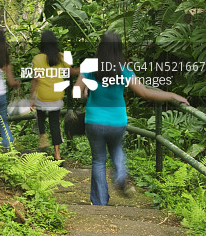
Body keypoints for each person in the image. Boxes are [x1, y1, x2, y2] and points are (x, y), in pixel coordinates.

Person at [74, 31, 189, 206]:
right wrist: (172, 95)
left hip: (94, 120)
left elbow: (77, 92)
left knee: (98, 160)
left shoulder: (90, 66)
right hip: (117, 121)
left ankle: (99, 202)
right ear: (118, 48)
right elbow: (145, 92)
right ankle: (120, 174)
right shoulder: (124, 70)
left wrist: (85, 92)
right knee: (117, 148)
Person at [30, 30, 78, 161]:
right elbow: (72, 72)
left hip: (42, 96)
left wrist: (31, 98)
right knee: (54, 123)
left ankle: (43, 139)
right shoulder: (62, 57)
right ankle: (57, 153)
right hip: (56, 96)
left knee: (40, 116)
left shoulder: (37, 59)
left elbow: (36, 79)